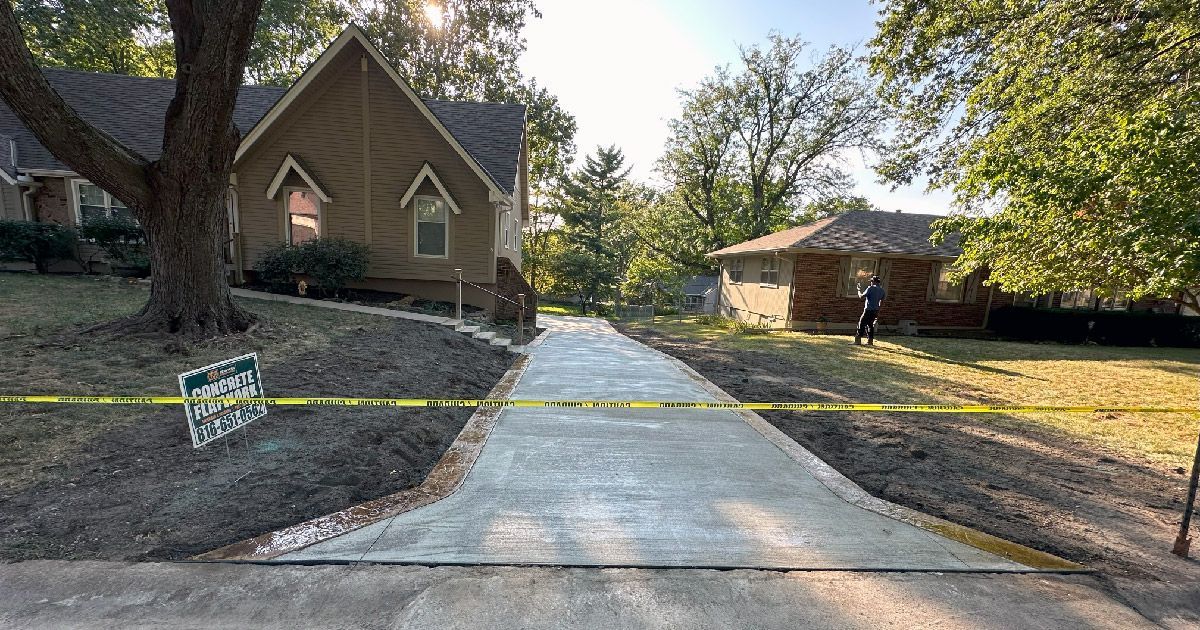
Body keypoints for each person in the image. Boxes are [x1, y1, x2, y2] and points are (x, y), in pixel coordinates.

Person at [855, 275, 885, 345]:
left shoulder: (870, 288)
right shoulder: (882, 290)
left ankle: (857, 341)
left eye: (871, 281)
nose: (870, 282)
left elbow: (861, 297)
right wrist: (878, 312)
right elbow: (882, 302)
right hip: (875, 311)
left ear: (873, 281)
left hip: (868, 310)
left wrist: (858, 290)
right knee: (870, 325)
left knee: (861, 324)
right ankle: (870, 341)